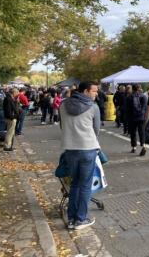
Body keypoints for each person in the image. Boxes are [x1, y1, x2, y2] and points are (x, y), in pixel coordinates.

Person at [60, 81, 101, 231]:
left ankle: (71, 219)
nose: (96, 94)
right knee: (85, 185)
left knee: (74, 184)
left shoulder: (63, 105)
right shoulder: (93, 107)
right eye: (94, 91)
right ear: (85, 91)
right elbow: (96, 130)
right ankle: (81, 219)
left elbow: (62, 126)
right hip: (88, 149)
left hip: (70, 149)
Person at [129, 84, 148, 155]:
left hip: (132, 118)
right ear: (140, 88)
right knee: (141, 132)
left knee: (133, 133)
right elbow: (146, 107)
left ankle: (134, 147)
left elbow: (127, 109)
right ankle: (143, 146)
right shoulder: (144, 96)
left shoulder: (129, 97)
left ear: (132, 89)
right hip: (141, 117)